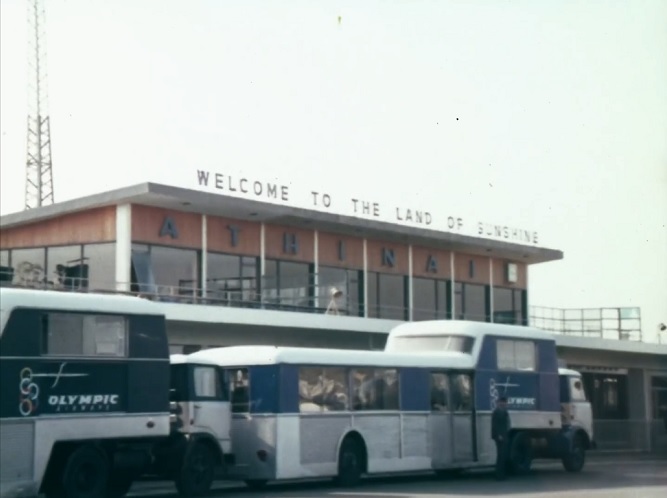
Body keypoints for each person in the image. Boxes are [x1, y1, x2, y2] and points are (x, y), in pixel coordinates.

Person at [491, 396, 511, 480]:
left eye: (505, 402)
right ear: (499, 402)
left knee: (503, 455)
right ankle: (499, 475)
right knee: (501, 456)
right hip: (500, 436)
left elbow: (507, 423)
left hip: (504, 435)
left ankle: (502, 474)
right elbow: (495, 425)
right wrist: (498, 435)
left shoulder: (505, 412)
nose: (504, 404)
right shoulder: (497, 412)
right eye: (502, 402)